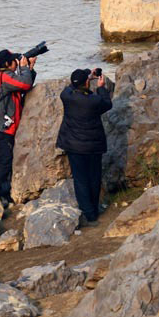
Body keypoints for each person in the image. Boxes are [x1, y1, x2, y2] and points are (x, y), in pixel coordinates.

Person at [56, 68, 112, 224]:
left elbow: (70, 87)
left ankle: (89, 214)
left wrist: (87, 76)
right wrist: (101, 87)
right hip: (93, 147)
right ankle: (94, 208)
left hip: (74, 146)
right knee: (94, 177)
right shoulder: (94, 101)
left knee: (80, 180)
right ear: (87, 83)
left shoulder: (66, 97)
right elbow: (108, 104)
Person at [0, 49, 37, 205]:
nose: (16, 62)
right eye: (14, 61)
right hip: (2, 127)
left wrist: (29, 69)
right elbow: (24, 84)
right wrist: (25, 68)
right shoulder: (4, 77)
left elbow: (21, 86)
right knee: (4, 160)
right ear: (7, 64)